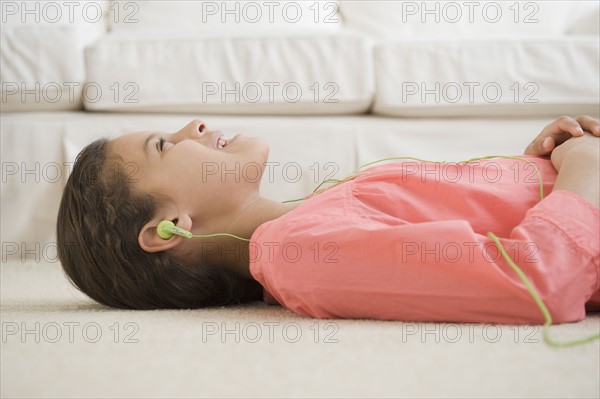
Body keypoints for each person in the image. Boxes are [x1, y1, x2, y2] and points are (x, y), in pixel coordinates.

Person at [57, 115, 600, 325]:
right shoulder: (306, 254)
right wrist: (583, 175)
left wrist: (537, 167)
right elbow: (536, 282)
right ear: (168, 226)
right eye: (164, 145)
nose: (192, 126)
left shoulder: (309, 221)